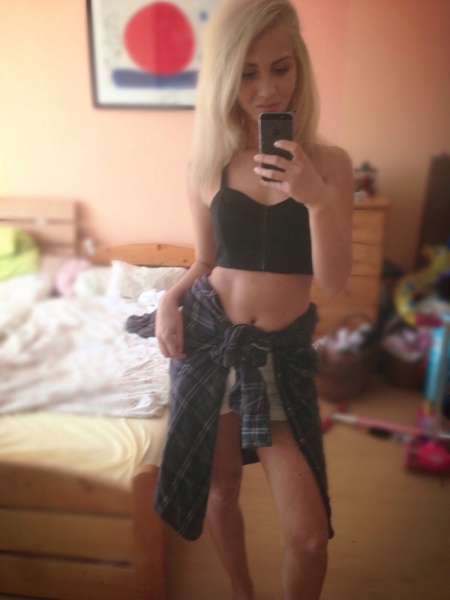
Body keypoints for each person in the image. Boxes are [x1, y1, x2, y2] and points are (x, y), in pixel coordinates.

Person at [151, 1, 353, 598]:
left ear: (300, 67)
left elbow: (334, 282)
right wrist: (168, 299)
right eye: (246, 73)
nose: (266, 89)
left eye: (280, 68)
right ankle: (242, 590)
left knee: (309, 538)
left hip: (278, 358)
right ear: (224, 79)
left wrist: (314, 198)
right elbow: (205, 261)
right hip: (210, 344)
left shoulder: (331, 165)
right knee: (221, 491)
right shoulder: (206, 165)